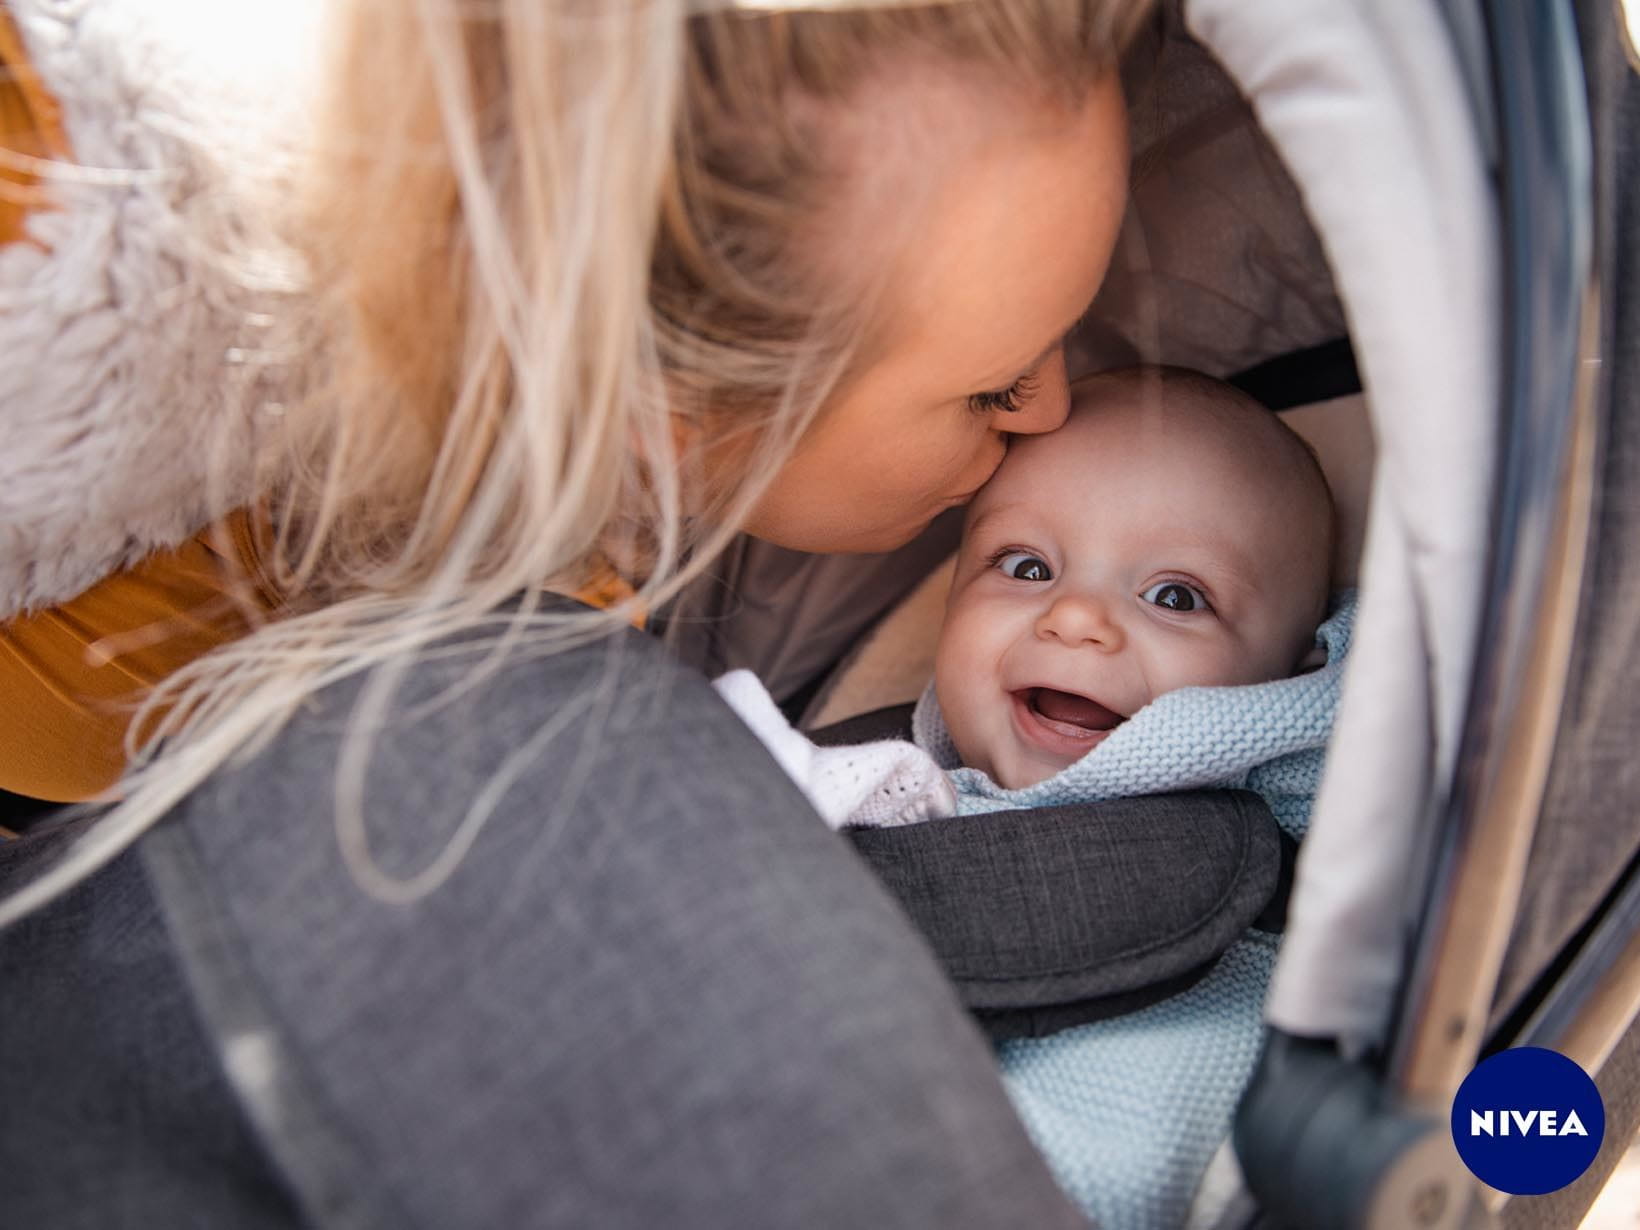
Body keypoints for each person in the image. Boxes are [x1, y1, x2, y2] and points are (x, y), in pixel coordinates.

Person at [0, 2, 1155, 1226]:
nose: (1048, 413)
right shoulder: (51, 267)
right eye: (989, 385)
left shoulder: (576, 505)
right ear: (653, 400)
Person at [716, 366, 1351, 1228]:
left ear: (1290, 670)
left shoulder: (1278, 820)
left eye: (1176, 596)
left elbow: (1374, 727)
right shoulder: (868, 779)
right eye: (1025, 565)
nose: (1076, 616)